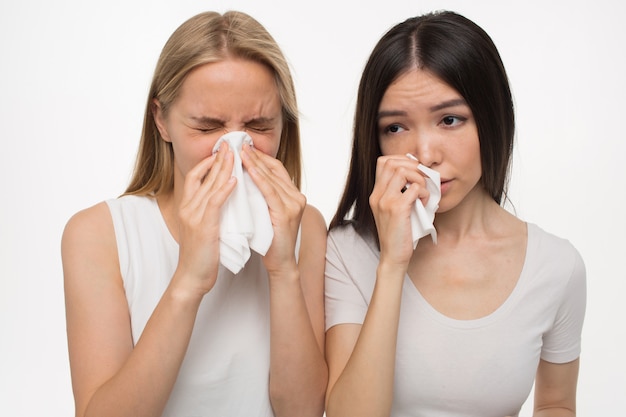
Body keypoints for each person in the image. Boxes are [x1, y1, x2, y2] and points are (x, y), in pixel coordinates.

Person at [61, 11, 327, 417]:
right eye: (206, 127)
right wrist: (187, 282)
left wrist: (283, 270)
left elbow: (303, 411)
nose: (234, 148)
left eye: (258, 125)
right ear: (161, 121)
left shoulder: (305, 226)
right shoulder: (99, 235)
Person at [324, 10, 586, 417]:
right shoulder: (346, 249)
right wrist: (392, 264)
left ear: (492, 119)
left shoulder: (556, 265)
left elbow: (555, 405)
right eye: (395, 127)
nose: (425, 153)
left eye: (450, 120)